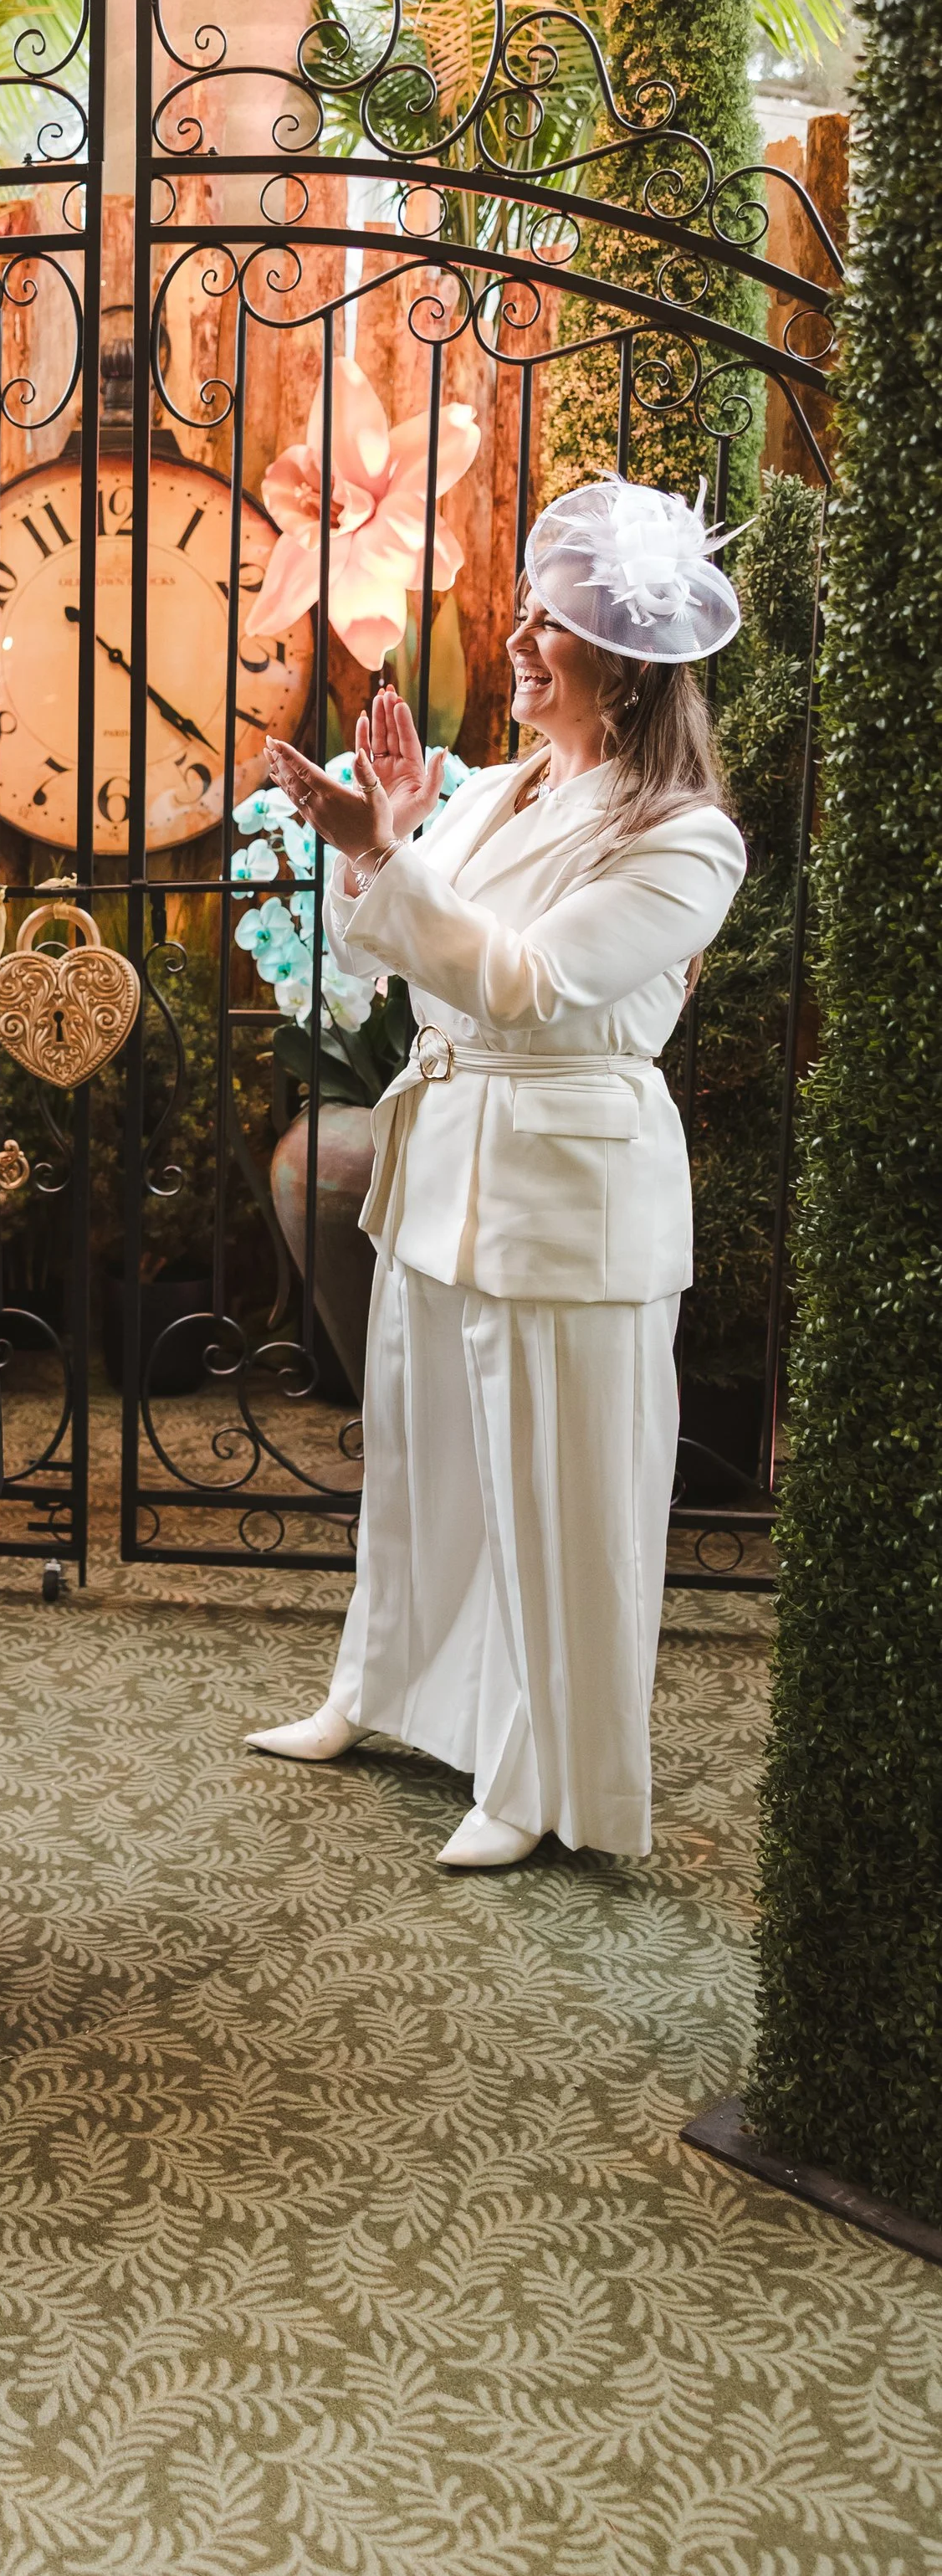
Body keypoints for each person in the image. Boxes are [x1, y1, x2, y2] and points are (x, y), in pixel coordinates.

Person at [246, 476, 747, 1868]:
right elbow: (396, 947)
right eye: (523, 614)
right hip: (447, 1163)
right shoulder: (511, 784)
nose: (518, 640)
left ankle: (536, 1777)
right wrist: (396, 834)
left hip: (567, 1191)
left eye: (549, 623)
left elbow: (524, 981)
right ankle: (377, 1690)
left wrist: (382, 848)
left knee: (553, 1492)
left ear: (627, 665)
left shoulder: (687, 836)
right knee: (421, 1460)